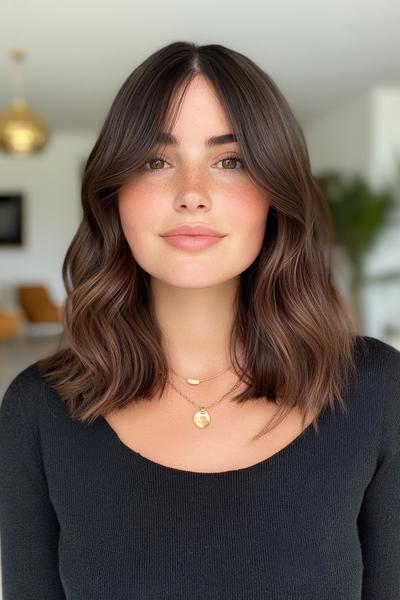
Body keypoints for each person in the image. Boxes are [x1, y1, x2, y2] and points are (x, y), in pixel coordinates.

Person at [0, 41, 399, 600]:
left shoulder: (376, 391)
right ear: (114, 193)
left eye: (229, 161)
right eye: (156, 161)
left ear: (275, 194)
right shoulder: (37, 410)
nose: (192, 195)